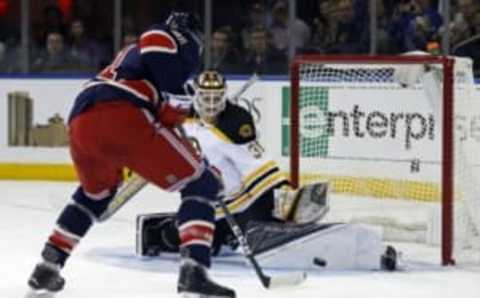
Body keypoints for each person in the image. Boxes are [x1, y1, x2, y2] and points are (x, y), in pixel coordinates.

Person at [26, 13, 235, 298]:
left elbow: (162, 108)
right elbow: (158, 50)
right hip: (121, 113)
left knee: (95, 195)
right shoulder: (168, 37)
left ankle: (48, 266)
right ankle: (194, 272)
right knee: (202, 183)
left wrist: (174, 125)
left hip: (82, 121)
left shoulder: (131, 59)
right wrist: (181, 122)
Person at [135, 70, 399, 272]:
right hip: (210, 207)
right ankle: (163, 232)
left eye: (217, 98)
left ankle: (286, 214)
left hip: (245, 200)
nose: (212, 104)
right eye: (207, 98)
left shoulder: (234, 122)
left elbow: (254, 163)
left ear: (225, 95)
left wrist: (281, 191)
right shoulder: (181, 120)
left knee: (271, 235)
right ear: (196, 96)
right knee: (199, 243)